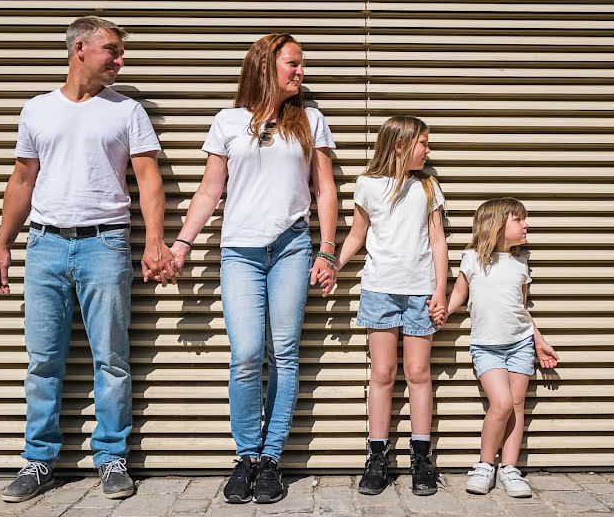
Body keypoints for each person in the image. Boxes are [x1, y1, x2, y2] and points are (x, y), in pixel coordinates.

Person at [0, 16, 176, 502]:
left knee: (110, 358)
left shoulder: (126, 111)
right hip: (45, 243)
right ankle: (38, 461)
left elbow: (148, 180)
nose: (119, 60)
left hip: (105, 243)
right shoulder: (37, 110)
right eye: (111, 50)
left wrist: (154, 242)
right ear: (80, 51)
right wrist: (3, 244)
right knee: (43, 360)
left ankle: (112, 456)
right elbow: (23, 180)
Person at [169, 33, 338, 504]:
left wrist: (326, 251)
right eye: (293, 63)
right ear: (265, 65)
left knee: (283, 352)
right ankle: (245, 455)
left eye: (301, 64)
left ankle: (270, 461)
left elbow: (325, 190)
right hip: (239, 250)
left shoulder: (310, 120)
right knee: (246, 353)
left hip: (291, 248)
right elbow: (209, 191)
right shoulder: (227, 121)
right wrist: (183, 243)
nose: (300, 72)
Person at [334, 115, 448, 496]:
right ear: (400, 145)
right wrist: (333, 266)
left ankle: (421, 456)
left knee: (418, 372)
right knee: (382, 372)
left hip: (419, 291)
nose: (428, 151)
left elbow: (438, 243)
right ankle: (378, 455)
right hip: (380, 289)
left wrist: (441, 290)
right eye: (423, 143)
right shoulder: (367, 185)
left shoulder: (428, 186)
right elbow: (356, 233)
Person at [441, 197, 559, 498]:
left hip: (520, 343)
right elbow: (458, 295)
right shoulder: (472, 259)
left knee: (517, 406)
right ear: (496, 225)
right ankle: (484, 465)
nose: (526, 225)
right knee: (502, 404)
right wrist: (441, 313)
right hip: (487, 346)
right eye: (519, 220)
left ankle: (509, 468)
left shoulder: (520, 263)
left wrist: (539, 340)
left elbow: (521, 307)